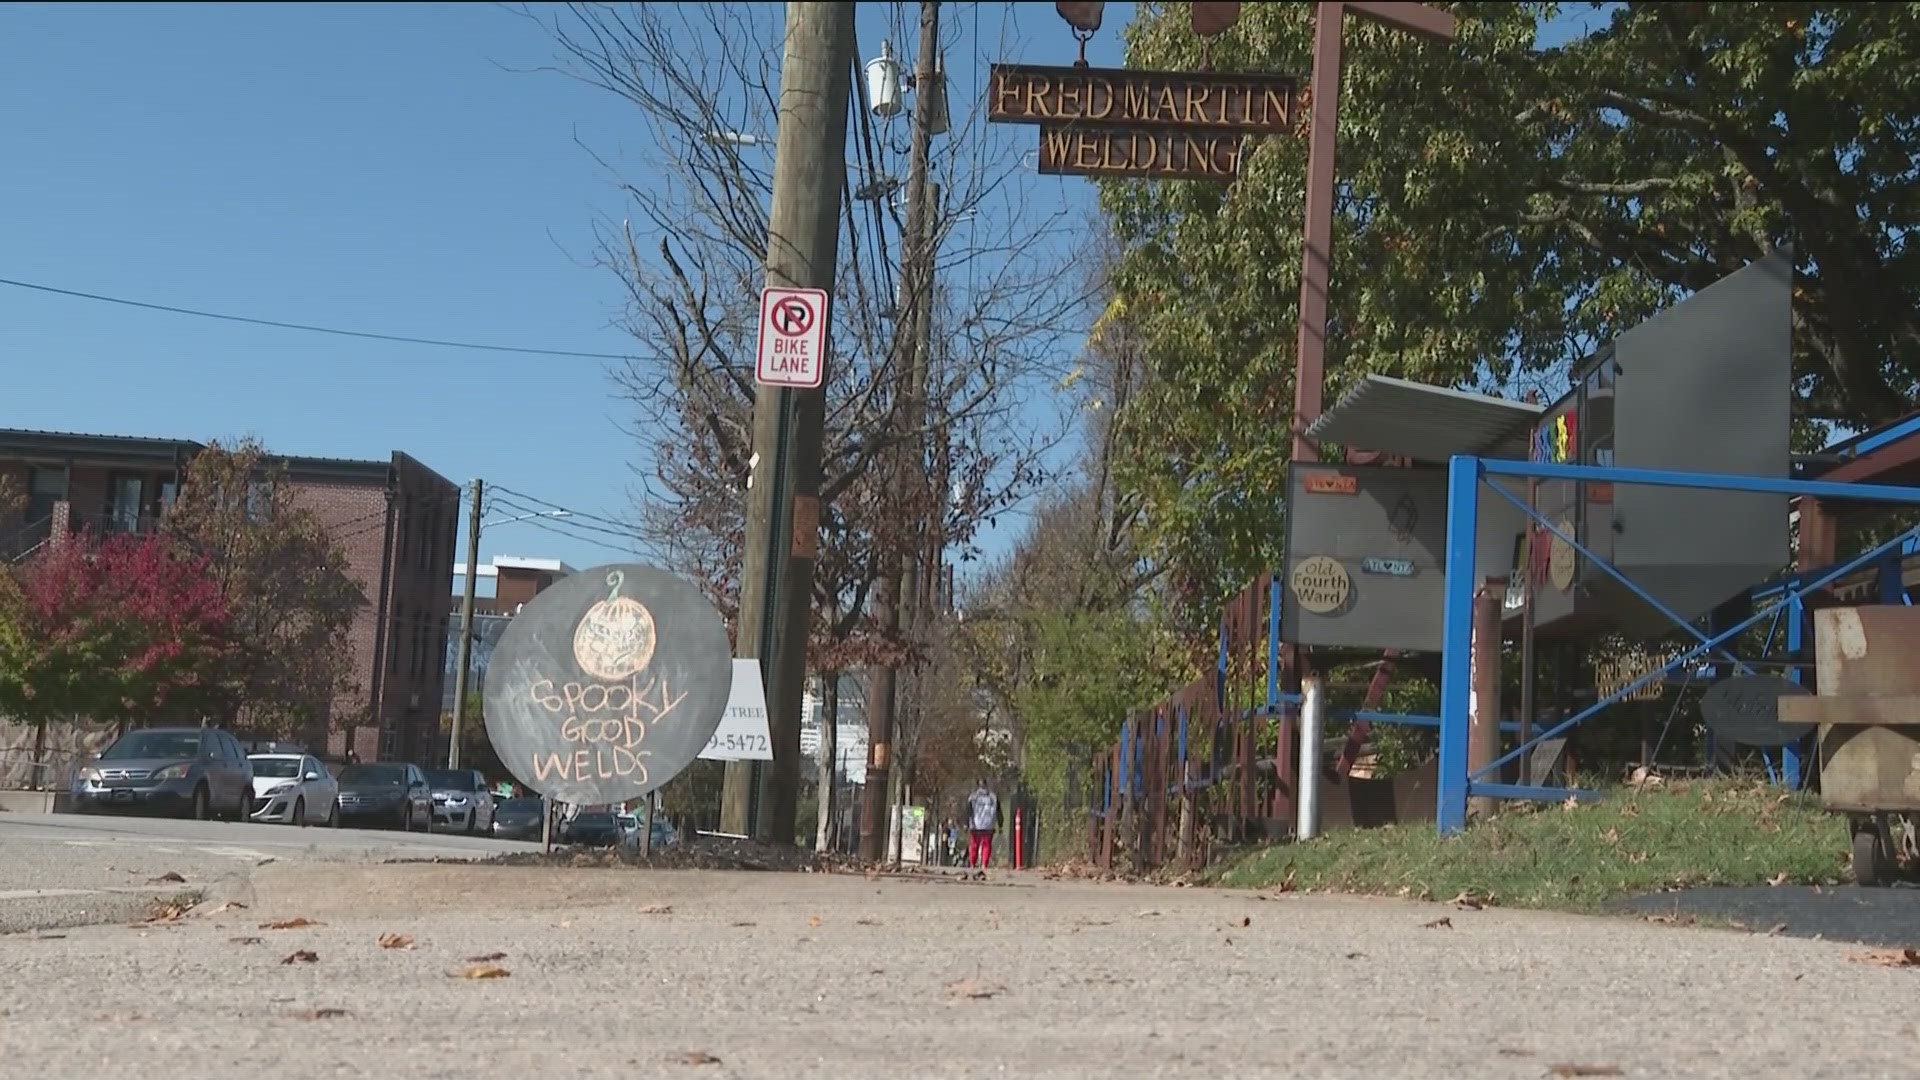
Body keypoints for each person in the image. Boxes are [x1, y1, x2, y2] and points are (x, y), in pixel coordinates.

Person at [966, 780, 1000, 869]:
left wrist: (967, 824)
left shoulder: (973, 797)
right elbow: (998, 811)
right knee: (987, 845)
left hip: (975, 825)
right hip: (988, 825)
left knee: (974, 845)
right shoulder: (993, 797)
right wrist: (1000, 824)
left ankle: (973, 864)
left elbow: (968, 812)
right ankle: (984, 864)